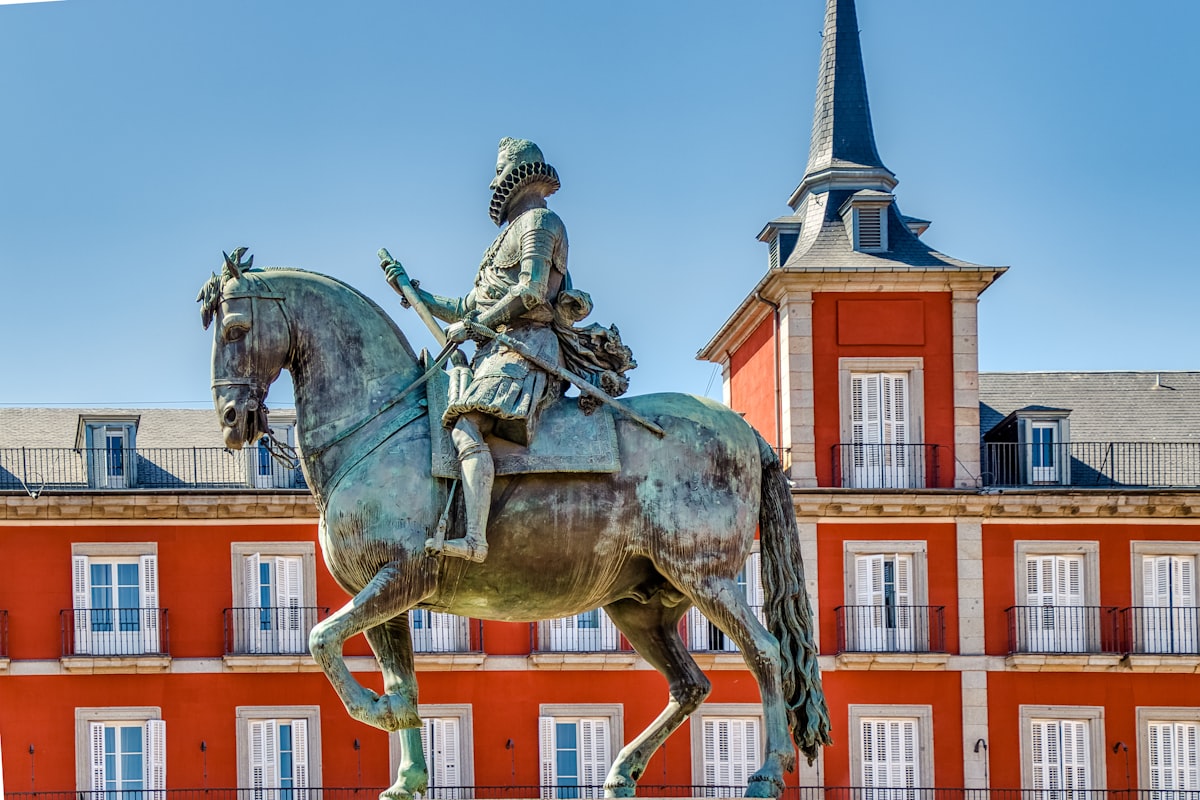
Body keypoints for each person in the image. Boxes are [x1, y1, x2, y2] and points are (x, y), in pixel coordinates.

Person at [384, 138, 573, 563]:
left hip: (526, 348)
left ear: (515, 179)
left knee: (466, 423)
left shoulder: (541, 223)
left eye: (500, 179)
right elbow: (467, 306)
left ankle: (474, 539)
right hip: (496, 349)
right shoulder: (505, 238)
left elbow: (531, 292)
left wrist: (478, 325)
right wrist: (416, 293)